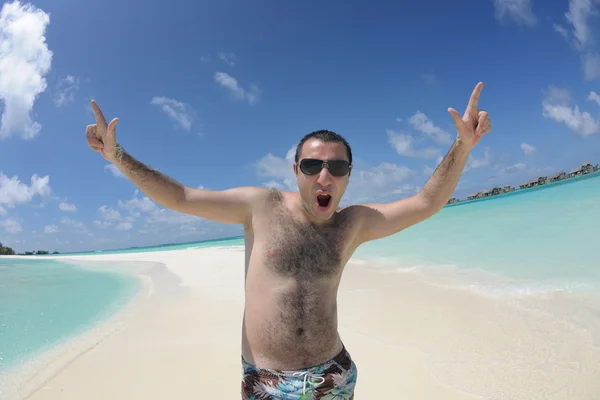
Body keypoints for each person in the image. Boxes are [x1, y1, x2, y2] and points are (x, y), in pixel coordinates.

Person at [86, 82, 492, 399]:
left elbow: (426, 202)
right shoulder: (260, 207)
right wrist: (118, 156)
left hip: (333, 375)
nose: (324, 176)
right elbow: (181, 197)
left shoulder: (354, 223)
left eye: (336, 166)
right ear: (296, 169)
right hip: (266, 383)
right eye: (313, 165)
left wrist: (463, 145)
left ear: (349, 174)